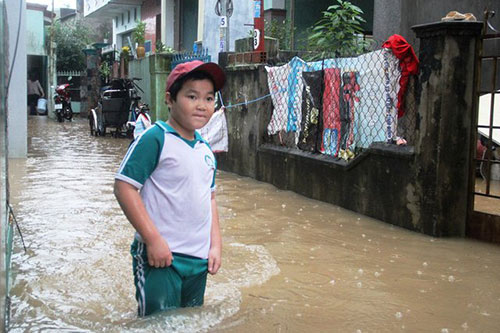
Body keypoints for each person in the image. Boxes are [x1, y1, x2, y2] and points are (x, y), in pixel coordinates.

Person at [114, 60, 226, 316]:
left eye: (209, 98)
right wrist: (153, 240)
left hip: (198, 261)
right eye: (192, 96)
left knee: (189, 322)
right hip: (161, 257)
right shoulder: (155, 138)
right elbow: (124, 187)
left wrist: (215, 246)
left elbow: (209, 199)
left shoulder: (205, 150)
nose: (202, 105)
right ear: (170, 99)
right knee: (158, 324)